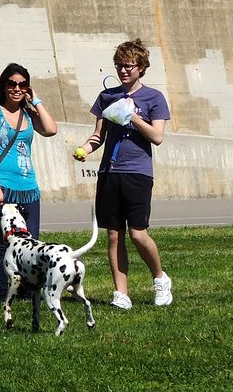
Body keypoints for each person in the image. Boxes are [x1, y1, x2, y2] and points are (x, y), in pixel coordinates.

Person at [73, 38, 173, 309]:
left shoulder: (153, 98)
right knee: (114, 234)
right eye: (119, 65)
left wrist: (133, 117)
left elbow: (157, 137)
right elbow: (98, 136)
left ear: (141, 68)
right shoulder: (107, 97)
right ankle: (121, 293)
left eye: (129, 65)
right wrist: (85, 148)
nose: (123, 70)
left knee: (138, 234)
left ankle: (160, 279)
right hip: (109, 173)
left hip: (137, 173)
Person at [0, 63, 58, 301]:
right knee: (5, 244)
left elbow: (50, 129)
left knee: (30, 243)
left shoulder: (27, 114)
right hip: (4, 186)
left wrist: (36, 101)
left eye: (22, 84)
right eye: (12, 84)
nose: (16, 88)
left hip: (28, 188)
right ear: (4, 86)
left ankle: (25, 291)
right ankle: (2, 292)